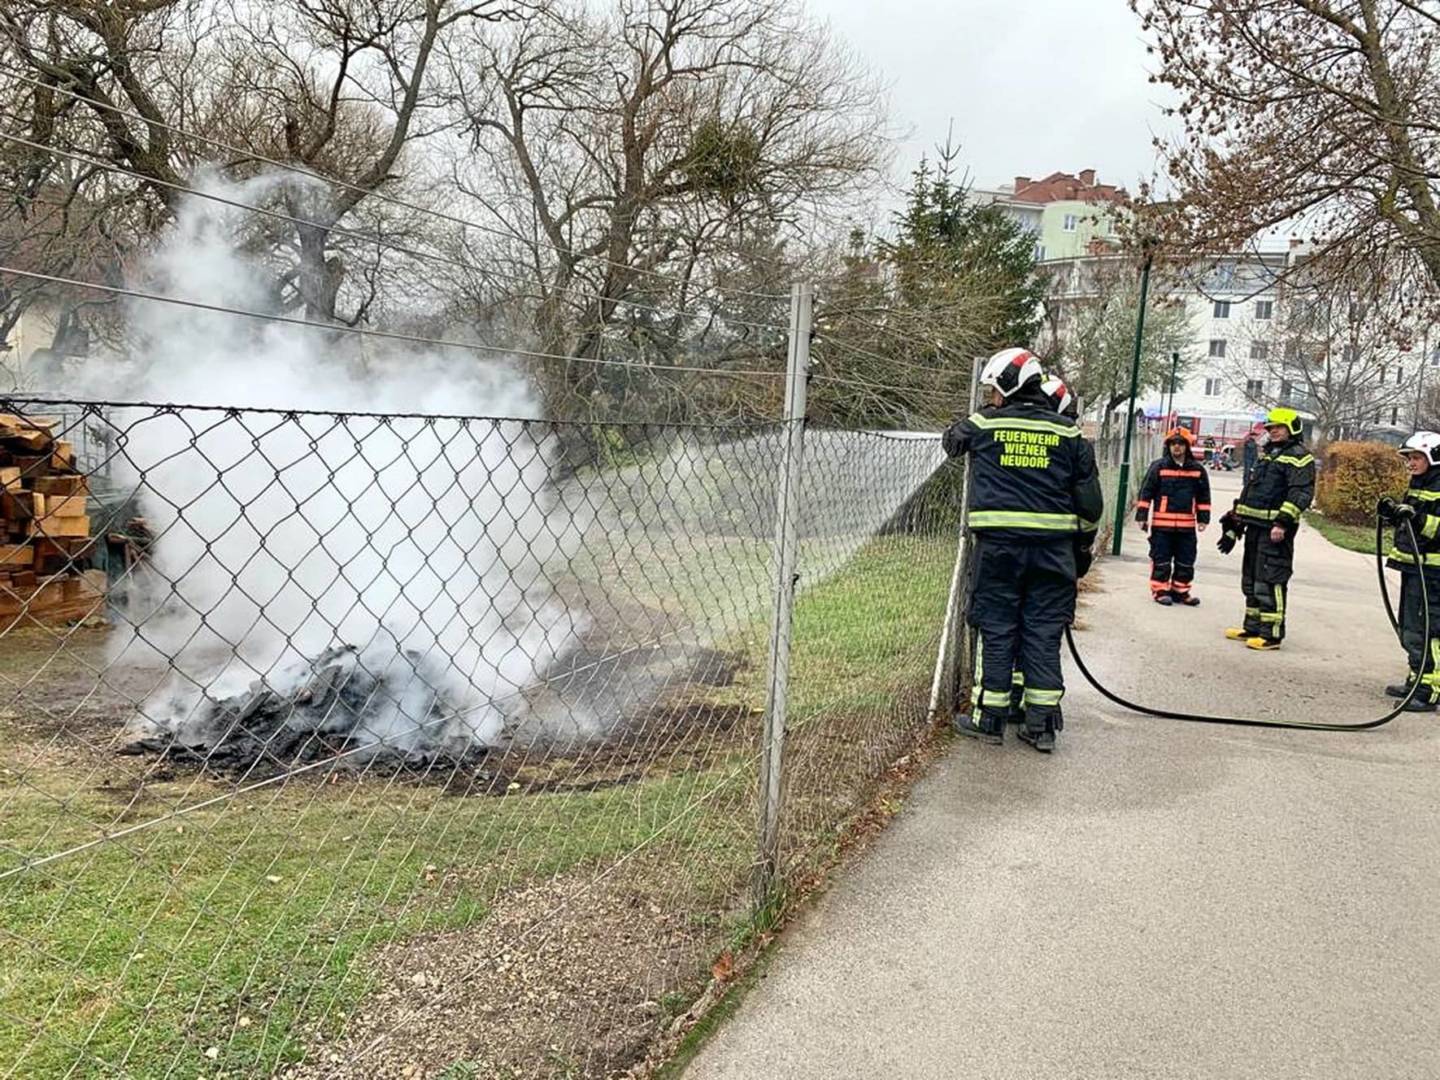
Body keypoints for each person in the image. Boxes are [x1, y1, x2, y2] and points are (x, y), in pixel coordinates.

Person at [943, 348, 1104, 752]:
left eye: (993, 389)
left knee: (996, 627)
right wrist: (1082, 547)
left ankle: (989, 719)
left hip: (999, 550)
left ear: (1009, 385)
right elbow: (1090, 504)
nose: (991, 397)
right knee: (1043, 631)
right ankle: (1041, 724)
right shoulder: (1069, 433)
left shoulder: (986, 423)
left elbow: (951, 442)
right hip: (1054, 554)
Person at [1216, 407, 1315, 650]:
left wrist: (1282, 522)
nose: (1274, 432)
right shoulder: (1269, 454)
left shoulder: (1299, 456)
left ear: (1292, 429)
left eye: (1278, 428)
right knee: (1251, 578)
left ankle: (1271, 634)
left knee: (1271, 579)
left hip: (1275, 530)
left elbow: (1301, 492)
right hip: (1256, 527)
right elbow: (1252, 492)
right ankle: (1253, 627)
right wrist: (1234, 523)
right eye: (1270, 429)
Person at [1378, 432, 1440, 713]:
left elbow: (1435, 529)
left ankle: (1430, 690)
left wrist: (1416, 517)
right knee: (1411, 627)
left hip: (1433, 571)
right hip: (1415, 567)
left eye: (1416, 458)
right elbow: (1411, 521)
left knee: (1430, 629)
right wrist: (1393, 513)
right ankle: (1416, 679)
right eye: (1409, 459)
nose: (1410, 464)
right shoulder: (1419, 483)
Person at [1135, 427, 1211, 606]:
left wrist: (1203, 518)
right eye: (1173, 444)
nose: (1177, 447)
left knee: (1186, 559)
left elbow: (1203, 496)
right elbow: (1146, 492)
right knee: (1161, 558)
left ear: (1187, 446)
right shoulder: (1158, 467)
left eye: (1181, 444)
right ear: (1168, 446)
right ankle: (1160, 589)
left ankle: (1181, 591)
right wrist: (1142, 516)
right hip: (1162, 525)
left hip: (1186, 526)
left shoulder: (1197, 470)